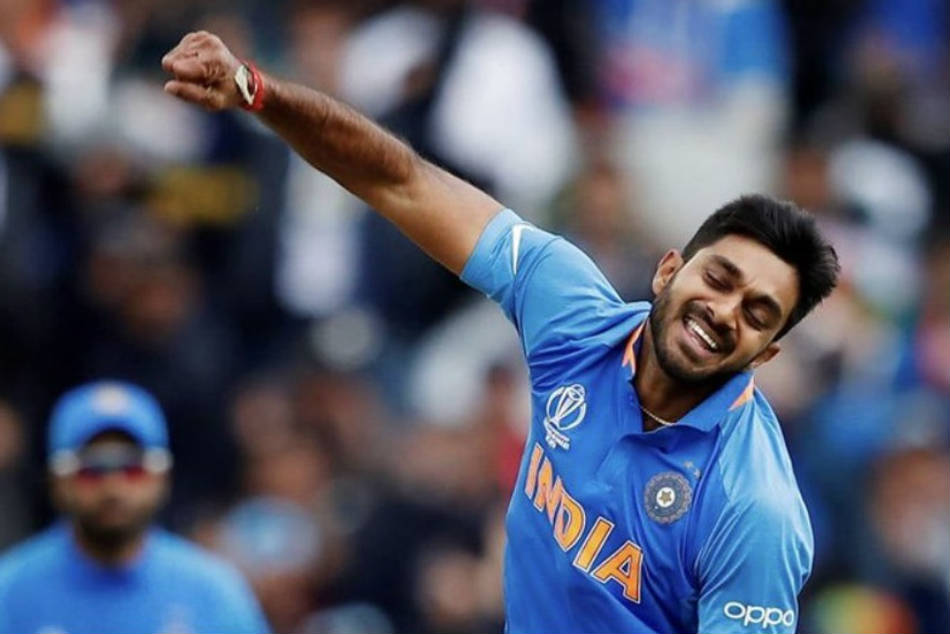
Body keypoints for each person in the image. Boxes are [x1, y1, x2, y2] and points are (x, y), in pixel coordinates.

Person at [160, 32, 840, 634]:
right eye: (719, 278)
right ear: (668, 270)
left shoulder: (755, 508)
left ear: (768, 353)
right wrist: (257, 91)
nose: (724, 311)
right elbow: (402, 183)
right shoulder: (573, 314)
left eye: (758, 313)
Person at [0, 380, 269, 634]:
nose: (113, 487)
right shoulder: (10, 591)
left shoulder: (212, 593)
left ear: (163, 477)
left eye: (132, 468)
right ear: (57, 482)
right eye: (92, 469)